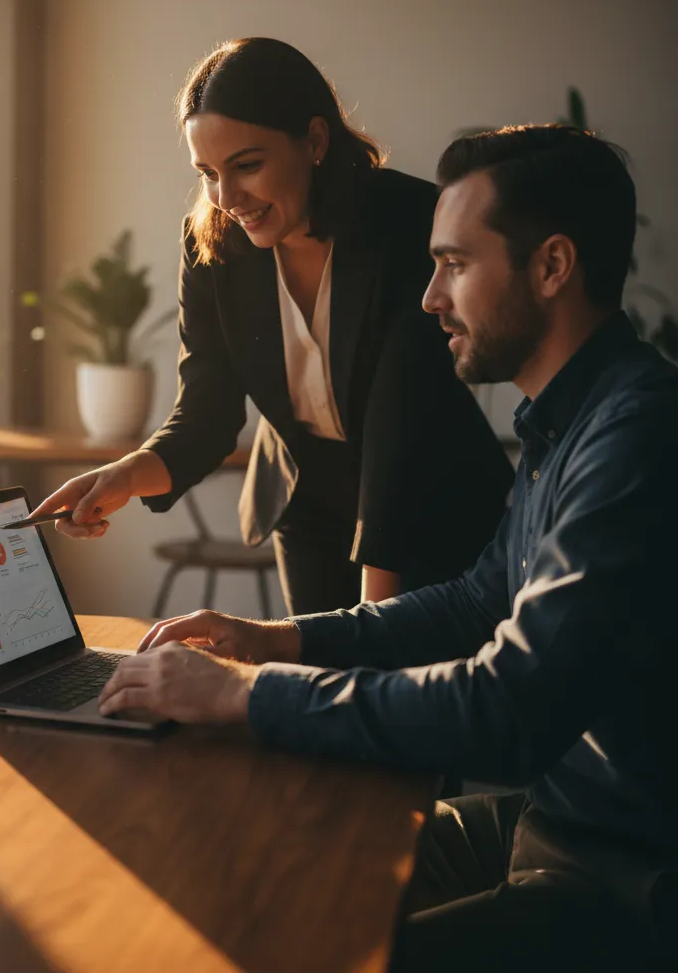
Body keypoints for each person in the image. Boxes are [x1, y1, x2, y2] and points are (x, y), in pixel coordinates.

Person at [95, 125, 677, 971]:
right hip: (552, 816)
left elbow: (508, 711)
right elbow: (478, 602)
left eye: (455, 265)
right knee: (278, 852)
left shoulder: (636, 437)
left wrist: (243, 700)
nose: (430, 297)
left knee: (308, 944)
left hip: (626, 871)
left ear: (552, 267)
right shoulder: (568, 418)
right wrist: (273, 644)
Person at [33, 38, 512, 613]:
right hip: (306, 498)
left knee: (397, 686)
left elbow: (400, 432)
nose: (226, 197)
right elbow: (206, 412)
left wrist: (369, 627)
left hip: (433, 501)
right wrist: (124, 477)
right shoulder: (211, 243)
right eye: (207, 172)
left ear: (314, 141)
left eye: (247, 166)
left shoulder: (410, 221)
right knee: (313, 679)